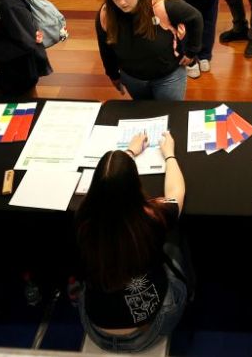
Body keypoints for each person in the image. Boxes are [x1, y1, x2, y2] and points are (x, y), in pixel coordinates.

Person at [75, 133, 189, 352]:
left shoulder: (83, 221)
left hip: (95, 327)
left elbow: (109, 186)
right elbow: (176, 192)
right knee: (174, 250)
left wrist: (128, 153)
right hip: (149, 329)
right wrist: (169, 155)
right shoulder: (150, 217)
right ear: (136, 186)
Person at [97, 0, 203, 100]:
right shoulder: (106, 14)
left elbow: (195, 18)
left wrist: (191, 52)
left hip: (169, 78)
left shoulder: (163, 5)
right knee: (145, 116)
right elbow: (105, 48)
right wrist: (113, 75)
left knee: (171, 116)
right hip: (132, 79)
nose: (121, 2)